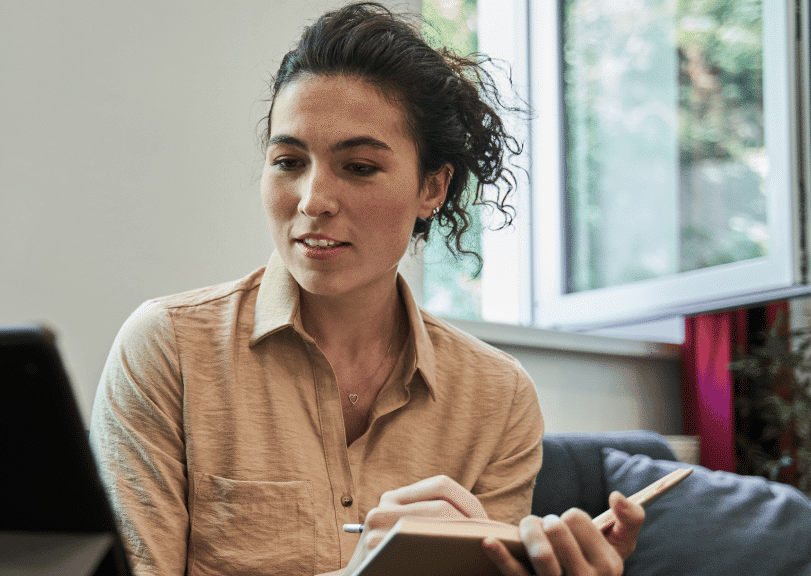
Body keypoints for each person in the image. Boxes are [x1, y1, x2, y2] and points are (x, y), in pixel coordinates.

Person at [89, 3, 645, 575]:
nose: (311, 200)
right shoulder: (168, 350)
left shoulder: (497, 398)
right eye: (288, 160)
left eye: (358, 167)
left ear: (433, 187)